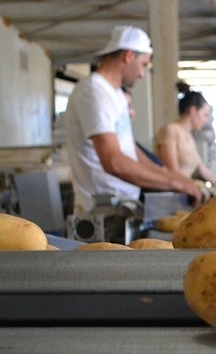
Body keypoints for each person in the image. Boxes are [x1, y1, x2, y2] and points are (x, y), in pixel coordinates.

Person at [64, 25, 201, 215]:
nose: (142, 74)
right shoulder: (93, 92)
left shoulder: (116, 95)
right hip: (100, 210)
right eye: (144, 64)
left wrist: (172, 177)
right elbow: (113, 161)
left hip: (124, 205)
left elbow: (130, 150)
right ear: (128, 56)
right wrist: (174, 183)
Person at [154, 82, 216, 193]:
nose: (205, 120)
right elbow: (172, 172)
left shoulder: (189, 136)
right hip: (171, 193)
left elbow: (201, 168)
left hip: (185, 192)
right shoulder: (170, 131)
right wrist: (194, 184)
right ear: (193, 111)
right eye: (204, 114)